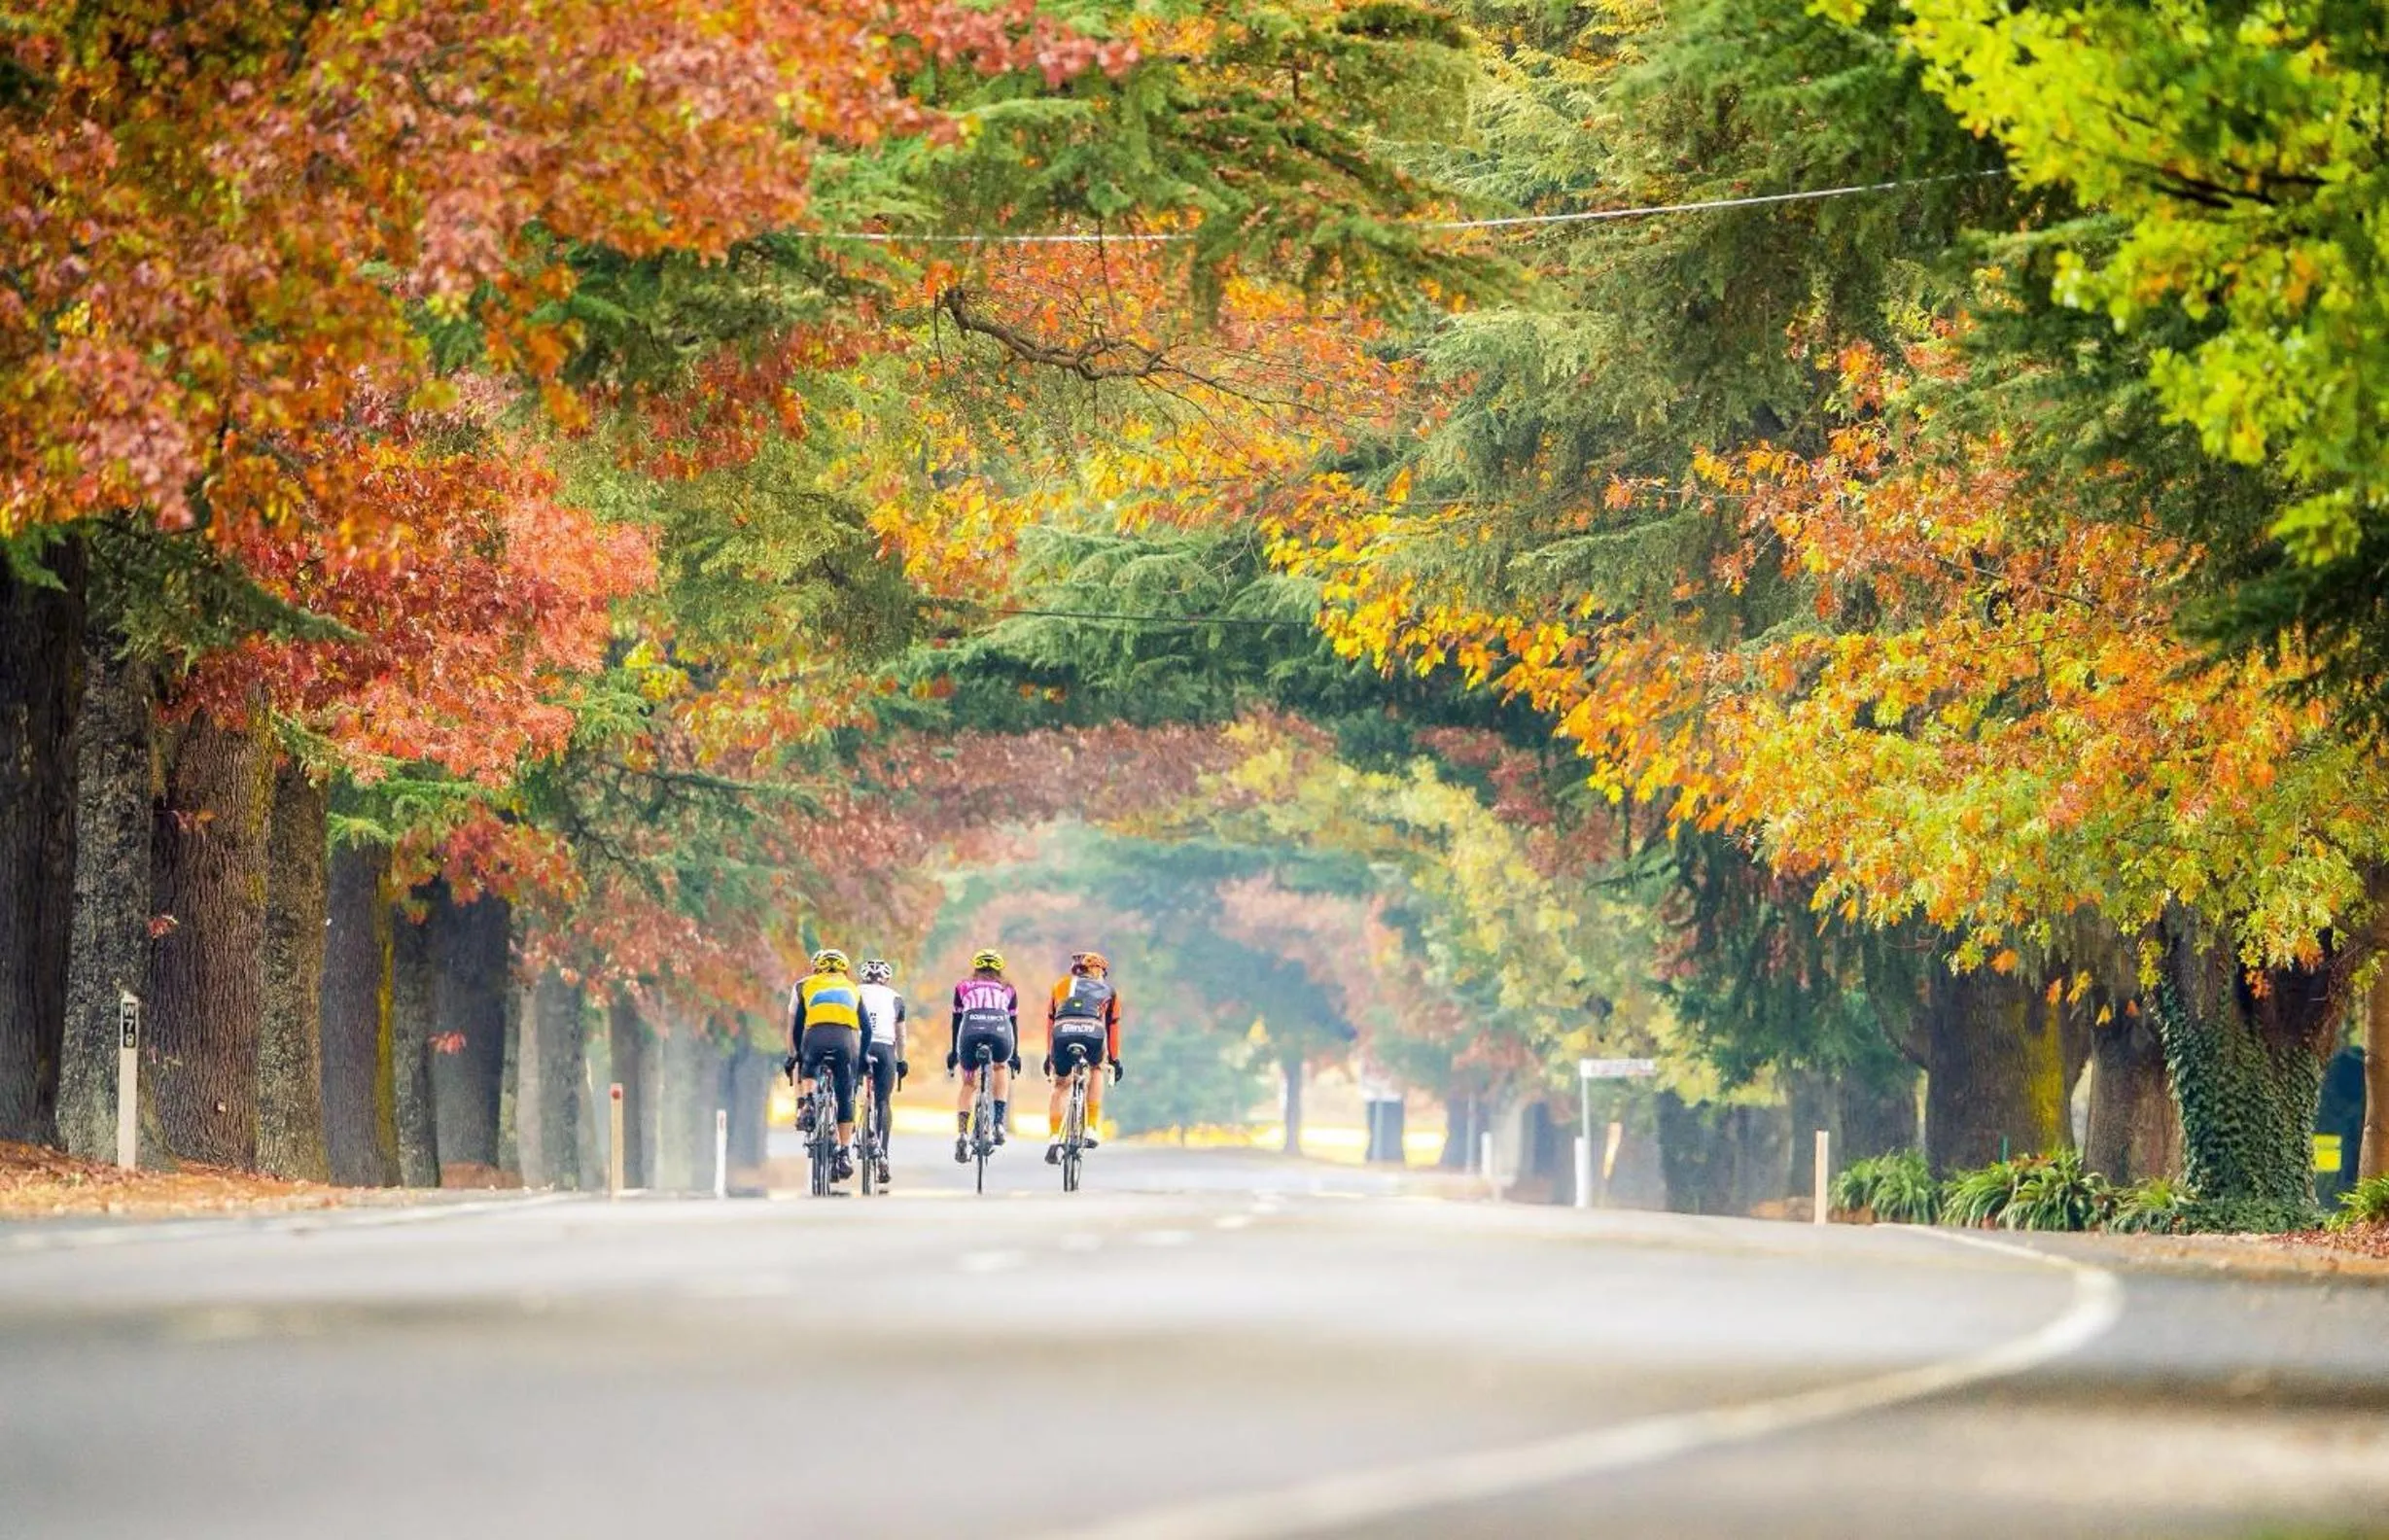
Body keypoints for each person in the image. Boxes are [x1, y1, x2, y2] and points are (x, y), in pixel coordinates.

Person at [788, 948, 868, 1183]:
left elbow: (798, 1026)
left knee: (809, 1066)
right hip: (844, 1040)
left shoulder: (808, 986)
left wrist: (797, 1055)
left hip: (816, 1038)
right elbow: (866, 1028)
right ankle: (844, 1152)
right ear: (844, 969)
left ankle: (810, 1101)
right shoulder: (853, 988)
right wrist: (862, 1058)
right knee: (845, 1096)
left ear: (818, 968)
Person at [1044, 950, 1123, 1165]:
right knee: (1097, 1068)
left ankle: (1054, 1139)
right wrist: (1114, 1060)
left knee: (1061, 1086)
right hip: (1092, 1033)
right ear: (1098, 970)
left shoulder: (1060, 985)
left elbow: (1050, 1022)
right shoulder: (1109, 990)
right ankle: (1090, 1128)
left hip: (1062, 1032)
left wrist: (1048, 1055)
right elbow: (1112, 1029)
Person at [948, 948, 1020, 1164]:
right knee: (999, 1067)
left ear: (976, 968)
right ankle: (998, 1122)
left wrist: (954, 1052)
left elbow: (956, 1022)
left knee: (969, 1084)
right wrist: (1014, 1055)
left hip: (970, 1032)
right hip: (1000, 1032)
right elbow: (1013, 1023)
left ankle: (961, 1133)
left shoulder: (962, 986)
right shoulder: (1008, 989)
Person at [857, 958, 908, 1187]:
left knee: (848, 1089)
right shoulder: (896, 998)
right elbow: (901, 1035)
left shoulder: (854, 991)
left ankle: (843, 1143)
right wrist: (901, 1060)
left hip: (858, 1044)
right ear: (886, 979)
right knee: (884, 1101)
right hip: (885, 1047)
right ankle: (883, 1153)